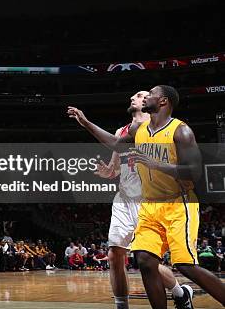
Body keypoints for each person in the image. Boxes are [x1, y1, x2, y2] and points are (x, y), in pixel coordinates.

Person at [68, 85, 225, 308]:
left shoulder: (181, 131)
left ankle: (183, 293)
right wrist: (85, 123)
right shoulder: (138, 131)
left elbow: (195, 171)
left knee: (185, 266)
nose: (144, 97)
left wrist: (157, 165)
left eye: (150, 94)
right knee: (145, 261)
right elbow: (114, 143)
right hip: (149, 206)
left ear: (163, 102)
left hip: (177, 203)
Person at [92, 91, 187, 309]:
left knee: (144, 258)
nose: (132, 97)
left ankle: (180, 292)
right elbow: (115, 169)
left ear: (147, 102)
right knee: (114, 254)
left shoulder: (159, 128)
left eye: (139, 95)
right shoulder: (121, 131)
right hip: (124, 198)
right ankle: (121, 306)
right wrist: (108, 172)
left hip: (149, 200)